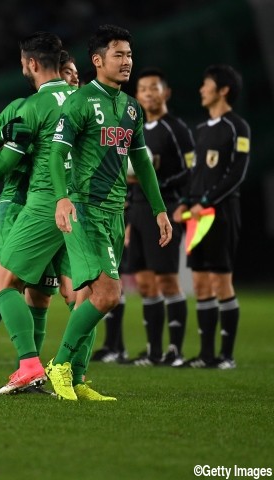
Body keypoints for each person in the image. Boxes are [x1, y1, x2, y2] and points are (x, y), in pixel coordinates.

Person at [48, 25, 172, 400]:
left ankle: (79, 379)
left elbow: (143, 164)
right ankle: (60, 365)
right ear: (98, 60)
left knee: (89, 298)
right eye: (119, 54)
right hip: (84, 209)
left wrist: (159, 209)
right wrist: (61, 197)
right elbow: (56, 153)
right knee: (108, 295)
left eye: (130, 55)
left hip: (116, 210)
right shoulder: (81, 101)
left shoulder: (132, 108)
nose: (127, 62)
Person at [0, 33, 78, 395]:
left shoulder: (32, 106)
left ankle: (32, 369)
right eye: (69, 72)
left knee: (36, 294)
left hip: (44, 204)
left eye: (76, 73)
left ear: (31, 64)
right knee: (12, 288)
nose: (74, 79)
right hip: (20, 205)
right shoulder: (28, 106)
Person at [95, 68, 194, 367]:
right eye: (143, 89)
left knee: (167, 281)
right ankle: (153, 352)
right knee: (145, 283)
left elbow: (191, 171)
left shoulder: (175, 129)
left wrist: (161, 186)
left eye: (154, 88)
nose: (148, 94)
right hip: (135, 210)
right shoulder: (134, 127)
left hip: (163, 206)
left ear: (165, 93)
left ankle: (175, 350)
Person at [173, 64, 250, 370]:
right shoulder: (202, 130)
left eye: (206, 85)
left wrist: (206, 200)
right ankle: (206, 355)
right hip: (196, 215)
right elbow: (196, 174)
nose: (201, 90)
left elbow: (237, 173)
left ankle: (226, 356)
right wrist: (185, 202)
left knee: (221, 282)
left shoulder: (238, 126)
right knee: (201, 284)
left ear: (223, 89)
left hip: (221, 212)